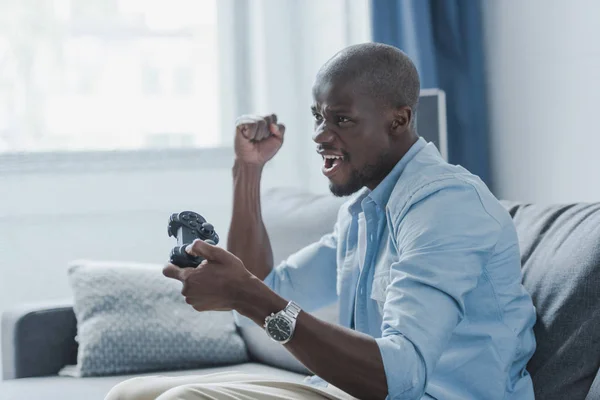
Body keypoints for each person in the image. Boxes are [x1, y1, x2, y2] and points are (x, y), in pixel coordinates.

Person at [105, 43, 537, 400]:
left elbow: (399, 376)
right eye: (318, 117)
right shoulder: (361, 212)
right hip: (350, 392)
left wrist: (248, 296)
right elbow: (268, 287)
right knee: (130, 395)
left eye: (342, 119)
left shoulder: (445, 205)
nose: (319, 135)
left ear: (398, 120)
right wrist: (248, 171)